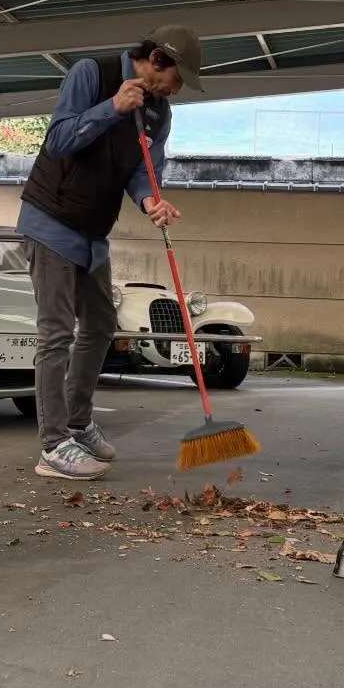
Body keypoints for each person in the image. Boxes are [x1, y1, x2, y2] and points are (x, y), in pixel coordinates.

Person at [17, 25, 205, 480]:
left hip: (92, 232)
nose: (177, 90)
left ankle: (78, 425)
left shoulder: (159, 114)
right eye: (177, 78)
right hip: (50, 221)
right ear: (157, 58)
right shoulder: (91, 74)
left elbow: (143, 171)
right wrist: (112, 108)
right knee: (56, 333)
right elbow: (59, 139)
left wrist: (150, 202)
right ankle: (52, 445)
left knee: (100, 324)